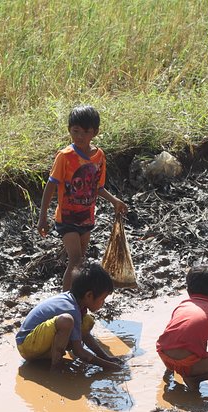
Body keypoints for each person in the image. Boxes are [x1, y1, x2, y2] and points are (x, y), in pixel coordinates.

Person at [37, 105, 128, 291]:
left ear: (95, 132)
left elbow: (97, 187)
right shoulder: (65, 157)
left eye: (85, 132)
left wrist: (114, 201)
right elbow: (51, 186)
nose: (79, 136)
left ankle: (75, 298)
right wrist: (42, 218)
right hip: (67, 217)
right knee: (76, 260)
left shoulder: (99, 156)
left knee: (81, 261)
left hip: (86, 217)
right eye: (75, 131)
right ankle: (66, 300)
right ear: (69, 130)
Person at [16, 262, 124, 371]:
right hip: (27, 346)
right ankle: (55, 368)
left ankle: (52, 359)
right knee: (67, 321)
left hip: (37, 344)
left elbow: (85, 336)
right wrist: (108, 366)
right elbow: (79, 351)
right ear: (89, 295)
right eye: (102, 299)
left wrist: (105, 357)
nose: (103, 303)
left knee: (86, 321)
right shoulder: (71, 309)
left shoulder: (75, 303)